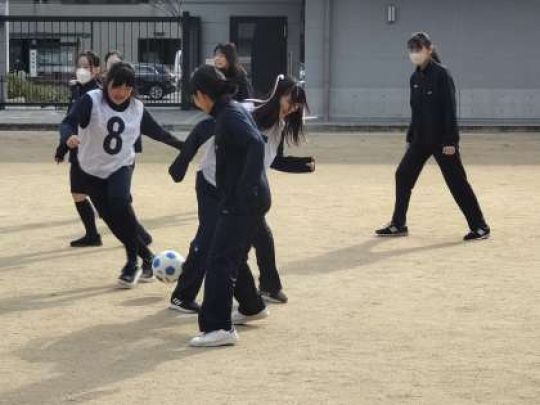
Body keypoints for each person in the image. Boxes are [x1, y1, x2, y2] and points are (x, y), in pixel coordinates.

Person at [168, 75, 314, 314]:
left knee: (260, 236)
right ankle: (182, 296)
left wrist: (302, 165)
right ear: (279, 94)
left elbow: (271, 160)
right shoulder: (246, 110)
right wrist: (181, 162)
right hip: (213, 183)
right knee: (209, 240)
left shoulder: (280, 125)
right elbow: (204, 129)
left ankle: (267, 289)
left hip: (244, 191)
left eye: (298, 105)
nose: (293, 108)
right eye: (291, 100)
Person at [59, 62, 184, 288]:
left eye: (128, 88)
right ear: (107, 84)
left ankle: (130, 262)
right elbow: (68, 122)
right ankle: (146, 257)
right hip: (91, 170)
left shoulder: (137, 107)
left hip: (121, 165)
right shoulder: (92, 100)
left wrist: (184, 147)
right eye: (117, 86)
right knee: (111, 219)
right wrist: (68, 137)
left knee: (119, 202)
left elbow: (158, 132)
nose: (121, 93)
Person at [184, 65, 270, 347]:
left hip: (242, 201)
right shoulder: (230, 111)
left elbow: (256, 143)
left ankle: (218, 327)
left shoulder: (229, 115)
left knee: (218, 259)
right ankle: (252, 306)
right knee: (232, 256)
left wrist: (245, 188)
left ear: (200, 95)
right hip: (247, 199)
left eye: (194, 97)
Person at [376, 32, 490, 241]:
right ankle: (398, 224)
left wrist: (451, 141)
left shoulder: (442, 75)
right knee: (403, 175)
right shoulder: (414, 78)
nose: (415, 54)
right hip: (420, 139)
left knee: (456, 182)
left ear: (429, 49)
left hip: (442, 140)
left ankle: (480, 227)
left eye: (418, 49)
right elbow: (415, 109)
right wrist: (411, 136)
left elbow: (449, 108)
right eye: (411, 50)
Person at [55, 51, 102, 247]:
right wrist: (62, 147)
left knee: (105, 200)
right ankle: (92, 235)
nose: (82, 70)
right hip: (77, 152)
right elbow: (70, 123)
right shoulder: (77, 92)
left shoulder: (98, 93)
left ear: (96, 70)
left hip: (94, 153)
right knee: (77, 193)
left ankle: (137, 235)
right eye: (80, 66)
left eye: (87, 66)